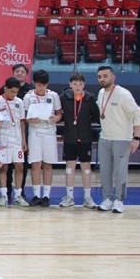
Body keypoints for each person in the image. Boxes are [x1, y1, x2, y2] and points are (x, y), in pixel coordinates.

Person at [96, 66, 140, 213]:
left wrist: (136, 137)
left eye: (105, 76)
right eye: (99, 77)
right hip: (104, 138)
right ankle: (107, 199)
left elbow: (137, 114)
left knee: (120, 172)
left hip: (122, 139)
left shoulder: (123, 94)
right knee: (105, 171)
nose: (102, 79)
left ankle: (119, 200)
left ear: (113, 77)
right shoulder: (101, 93)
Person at [59, 72, 100, 208]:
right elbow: (57, 113)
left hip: (85, 138)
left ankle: (87, 198)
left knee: (86, 167)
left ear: (84, 85)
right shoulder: (63, 98)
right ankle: (69, 197)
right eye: (75, 83)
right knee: (70, 166)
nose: (77, 86)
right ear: (70, 84)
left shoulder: (89, 98)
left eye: (80, 84)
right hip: (69, 137)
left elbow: (97, 116)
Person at [23, 70, 62, 207]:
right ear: (34, 83)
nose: (41, 88)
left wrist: (56, 118)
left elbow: (59, 113)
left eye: (44, 85)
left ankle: (46, 195)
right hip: (35, 133)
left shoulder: (53, 96)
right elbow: (24, 117)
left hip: (49, 132)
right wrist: (30, 120)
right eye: (39, 85)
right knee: (35, 164)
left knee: (48, 164)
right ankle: (36, 195)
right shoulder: (28, 97)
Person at [0, 77, 27, 206]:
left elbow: (22, 122)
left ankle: (18, 195)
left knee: (19, 167)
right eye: (12, 91)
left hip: (17, 140)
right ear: (5, 88)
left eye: (16, 92)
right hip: (3, 139)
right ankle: (4, 195)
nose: (14, 94)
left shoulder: (20, 102)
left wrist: (24, 140)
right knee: (4, 167)